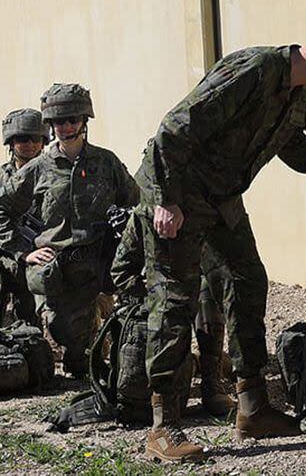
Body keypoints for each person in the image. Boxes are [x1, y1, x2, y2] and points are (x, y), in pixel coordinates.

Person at [133, 23, 306, 462]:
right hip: (178, 192)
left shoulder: (296, 91)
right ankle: (163, 427)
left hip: (220, 197)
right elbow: (173, 130)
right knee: (174, 298)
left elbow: (295, 149)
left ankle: (252, 406)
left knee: (248, 280)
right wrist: (166, 201)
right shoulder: (255, 70)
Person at [0, 84, 138, 377]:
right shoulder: (37, 169)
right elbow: (2, 210)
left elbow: (137, 205)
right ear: (50, 126)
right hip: (64, 272)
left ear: (84, 122)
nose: (65, 127)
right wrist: (24, 253)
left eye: (71, 120)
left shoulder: (106, 162)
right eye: (58, 122)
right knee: (79, 361)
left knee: (134, 335)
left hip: (105, 263)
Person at [110, 209, 235, 416]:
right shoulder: (145, 214)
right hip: (156, 301)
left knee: (206, 288)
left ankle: (212, 380)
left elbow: (224, 265)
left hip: (192, 295)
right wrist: (152, 290)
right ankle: (181, 376)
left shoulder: (205, 210)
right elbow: (120, 271)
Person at [0, 109, 49, 328]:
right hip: (8, 255)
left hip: (43, 256)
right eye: (22, 138)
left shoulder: (56, 175)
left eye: (35, 138)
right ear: (11, 142)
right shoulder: (2, 179)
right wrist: (22, 253)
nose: (29, 144)